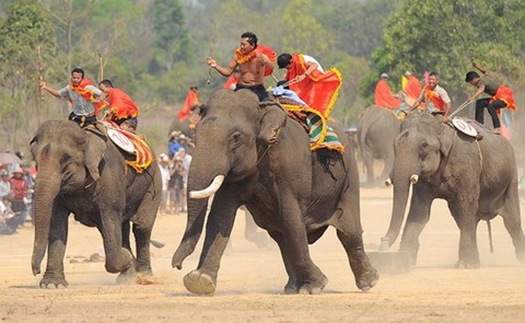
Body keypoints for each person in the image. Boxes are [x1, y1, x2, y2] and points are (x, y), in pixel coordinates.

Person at [207, 31, 276, 101]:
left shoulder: (261, 56)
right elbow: (228, 72)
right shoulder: (238, 56)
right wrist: (215, 65)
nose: (241, 47)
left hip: (257, 88)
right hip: (241, 87)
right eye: (241, 44)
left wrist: (266, 61)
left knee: (267, 106)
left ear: (252, 45)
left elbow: (272, 66)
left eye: (244, 45)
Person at [276, 52, 342, 117]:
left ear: (291, 61)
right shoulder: (292, 65)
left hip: (315, 80)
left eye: (286, 67)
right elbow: (287, 76)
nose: (287, 69)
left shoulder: (300, 62)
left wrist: (304, 75)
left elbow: (314, 65)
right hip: (306, 81)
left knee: (309, 101)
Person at [39, 67, 106, 127]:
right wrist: (45, 87)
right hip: (76, 117)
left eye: (78, 78)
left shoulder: (88, 87)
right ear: (71, 78)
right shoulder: (69, 88)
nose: (75, 80)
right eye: (74, 78)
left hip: (89, 118)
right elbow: (58, 94)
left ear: (82, 78)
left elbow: (103, 94)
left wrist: (99, 100)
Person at [464, 65, 517, 135]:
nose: (471, 84)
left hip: (504, 97)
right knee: (480, 102)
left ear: (474, 79)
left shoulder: (481, 81)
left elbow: (482, 89)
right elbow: (485, 71)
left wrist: (472, 97)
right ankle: (479, 122)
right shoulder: (485, 77)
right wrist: (476, 66)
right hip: (497, 97)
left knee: (491, 106)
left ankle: (497, 128)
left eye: (470, 82)